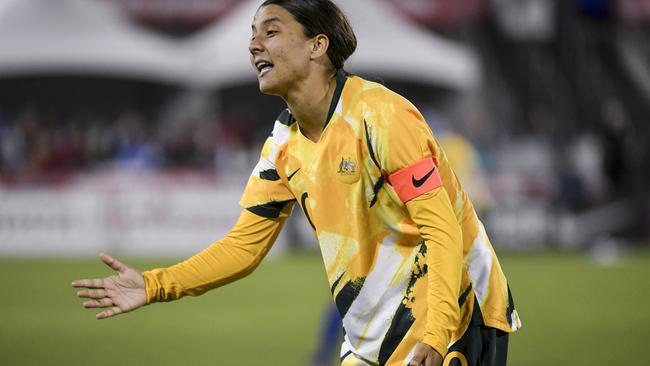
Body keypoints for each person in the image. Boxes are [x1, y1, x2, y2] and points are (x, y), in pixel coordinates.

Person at [72, 1, 521, 365]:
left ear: (316, 46)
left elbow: (440, 229)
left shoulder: (382, 116)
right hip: (372, 330)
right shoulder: (282, 147)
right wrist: (153, 285)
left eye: (270, 31)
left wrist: (437, 333)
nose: (253, 45)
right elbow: (242, 248)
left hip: (457, 311)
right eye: (252, 34)